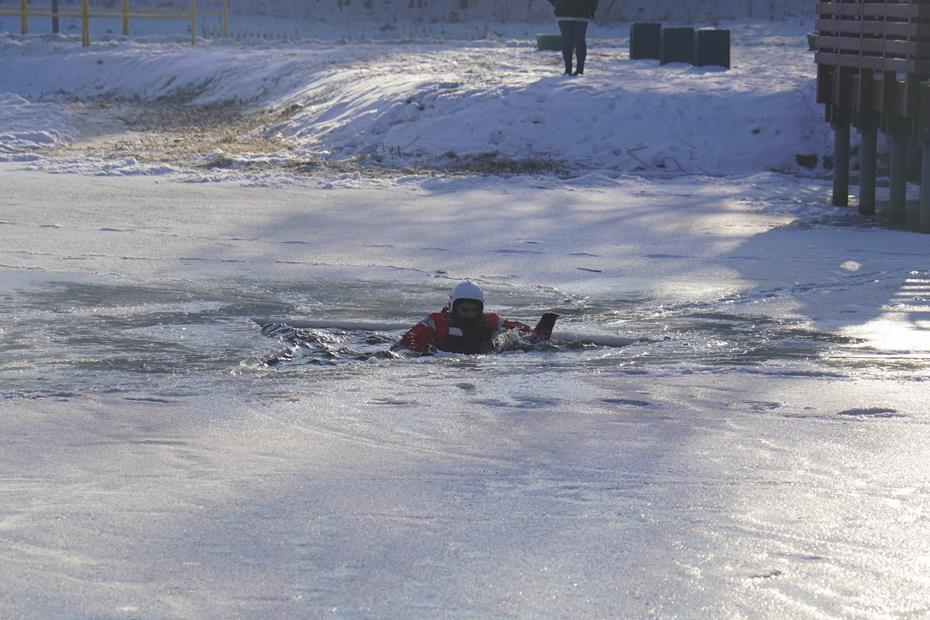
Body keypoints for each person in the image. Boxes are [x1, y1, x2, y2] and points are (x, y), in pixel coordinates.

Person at [399, 280, 558, 355]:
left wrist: (537, 337)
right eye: (464, 310)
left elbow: (521, 331)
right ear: (452, 306)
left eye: (474, 310)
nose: (469, 314)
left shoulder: (491, 321)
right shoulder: (435, 323)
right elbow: (404, 346)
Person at [548, 0, 599, 76]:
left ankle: (568, 69)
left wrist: (556, 3)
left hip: (563, 10)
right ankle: (580, 69)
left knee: (567, 41)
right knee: (580, 41)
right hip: (582, 11)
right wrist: (591, 9)